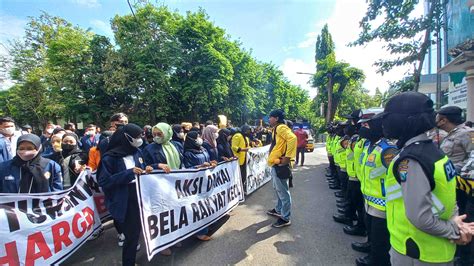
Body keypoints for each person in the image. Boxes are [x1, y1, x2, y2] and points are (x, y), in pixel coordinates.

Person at [381, 91, 474, 265]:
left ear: (405, 120)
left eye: (389, 117)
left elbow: (420, 217)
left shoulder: (412, 160)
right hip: (435, 248)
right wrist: (455, 222)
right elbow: (447, 196)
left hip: (416, 250)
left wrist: (455, 231)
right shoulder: (434, 152)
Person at [97, 123, 146, 266]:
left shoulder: (137, 151)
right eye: (136, 137)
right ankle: (128, 262)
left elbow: (142, 169)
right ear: (126, 137)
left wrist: (153, 167)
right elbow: (104, 181)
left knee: (139, 231)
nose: (140, 139)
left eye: (140, 136)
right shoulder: (110, 158)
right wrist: (128, 173)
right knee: (131, 235)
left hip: (141, 196)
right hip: (125, 199)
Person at [266, 109, 296, 228]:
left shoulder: (281, 128)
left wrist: (288, 157)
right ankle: (279, 210)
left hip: (280, 165)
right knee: (278, 189)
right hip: (276, 163)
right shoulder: (276, 129)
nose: (269, 119)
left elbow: (292, 138)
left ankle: (285, 217)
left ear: (276, 118)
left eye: (271, 117)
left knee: (283, 192)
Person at [182, 130, 215, 240]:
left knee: (208, 204)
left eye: (199, 136)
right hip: (196, 184)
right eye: (197, 137)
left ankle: (207, 225)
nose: (200, 138)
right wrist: (199, 167)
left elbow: (208, 160)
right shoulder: (187, 153)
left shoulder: (203, 149)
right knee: (199, 207)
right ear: (191, 140)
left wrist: (211, 163)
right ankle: (200, 232)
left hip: (206, 181)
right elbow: (186, 169)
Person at [232, 125, 251, 193]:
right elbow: (234, 147)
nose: (249, 132)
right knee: (238, 175)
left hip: (245, 159)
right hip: (238, 159)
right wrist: (243, 149)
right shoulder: (237, 135)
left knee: (244, 175)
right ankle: (238, 190)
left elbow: (247, 146)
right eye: (248, 130)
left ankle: (242, 188)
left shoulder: (246, 138)